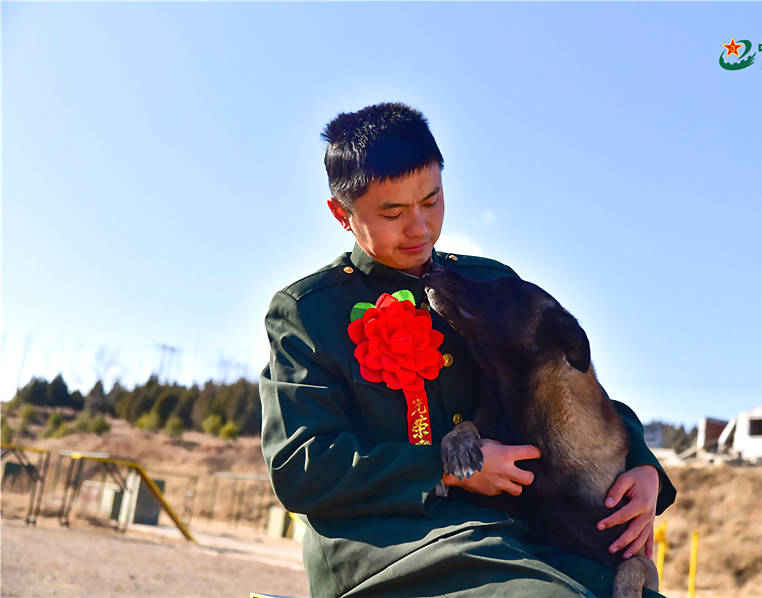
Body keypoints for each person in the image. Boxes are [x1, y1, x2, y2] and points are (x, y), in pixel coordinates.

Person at [259, 102, 676, 598]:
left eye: (431, 201)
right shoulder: (309, 312)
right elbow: (303, 468)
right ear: (341, 214)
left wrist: (644, 467)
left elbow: (571, 391)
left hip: (522, 535)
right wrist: (445, 470)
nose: (418, 227)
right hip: (386, 547)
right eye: (392, 212)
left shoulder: (488, 287)